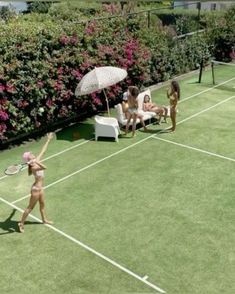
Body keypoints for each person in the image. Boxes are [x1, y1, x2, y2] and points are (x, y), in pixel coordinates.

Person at [18, 133, 53, 233]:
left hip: (41, 188)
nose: (33, 154)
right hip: (36, 190)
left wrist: (48, 140)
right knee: (30, 207)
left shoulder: (35, 161)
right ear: (29, 158)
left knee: (42, 204)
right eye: (31, 154)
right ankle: (21, 223)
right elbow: (44, 167)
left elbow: (43, 150)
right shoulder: (33, 167)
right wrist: (36, 161)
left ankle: (44, 219)